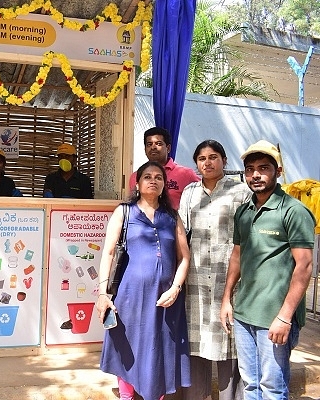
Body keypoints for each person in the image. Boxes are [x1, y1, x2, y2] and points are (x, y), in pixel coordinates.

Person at [220, 140, 316, 399]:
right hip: (244, 314)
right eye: (250, 169)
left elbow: (304, 266)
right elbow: (237, 257)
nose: (255, 175)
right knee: (250, 385)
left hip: (275, 318)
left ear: (278, 171)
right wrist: (227, 299)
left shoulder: (294, 212)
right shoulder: (244, 211)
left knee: (272, 387)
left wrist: (285, 316)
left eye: (263, 168)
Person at [97, 161, 191, 400]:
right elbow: (108, 253)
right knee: (127, 344)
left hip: (165, 298)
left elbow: (184, 258)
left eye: (158, 177)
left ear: (164, 185)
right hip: (131, 295)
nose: (153, 180)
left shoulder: (172, 216)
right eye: (147, 177)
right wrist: (102, 294)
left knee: (159, 348)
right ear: (137, 184)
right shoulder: (124, 212)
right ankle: (127, 396)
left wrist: (176, 288)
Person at [178, 140, 251, 400]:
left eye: (213, 157)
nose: (207, 163)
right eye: (201, 158)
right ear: (196, 163)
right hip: (196, 280)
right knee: (195, 344)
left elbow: (247, 238)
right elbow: (182, 235)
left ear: (224, 160)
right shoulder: (189, 192)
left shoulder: (241, 192)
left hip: (228, 280)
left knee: (228, 345)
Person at [129, 127, 199, 209]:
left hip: (176, 221)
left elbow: (203, 197)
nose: (153, 147)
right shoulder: (136, 176)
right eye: (149, 144)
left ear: (168, 148)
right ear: (145, 149)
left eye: (158, 144)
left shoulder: (186, 174)